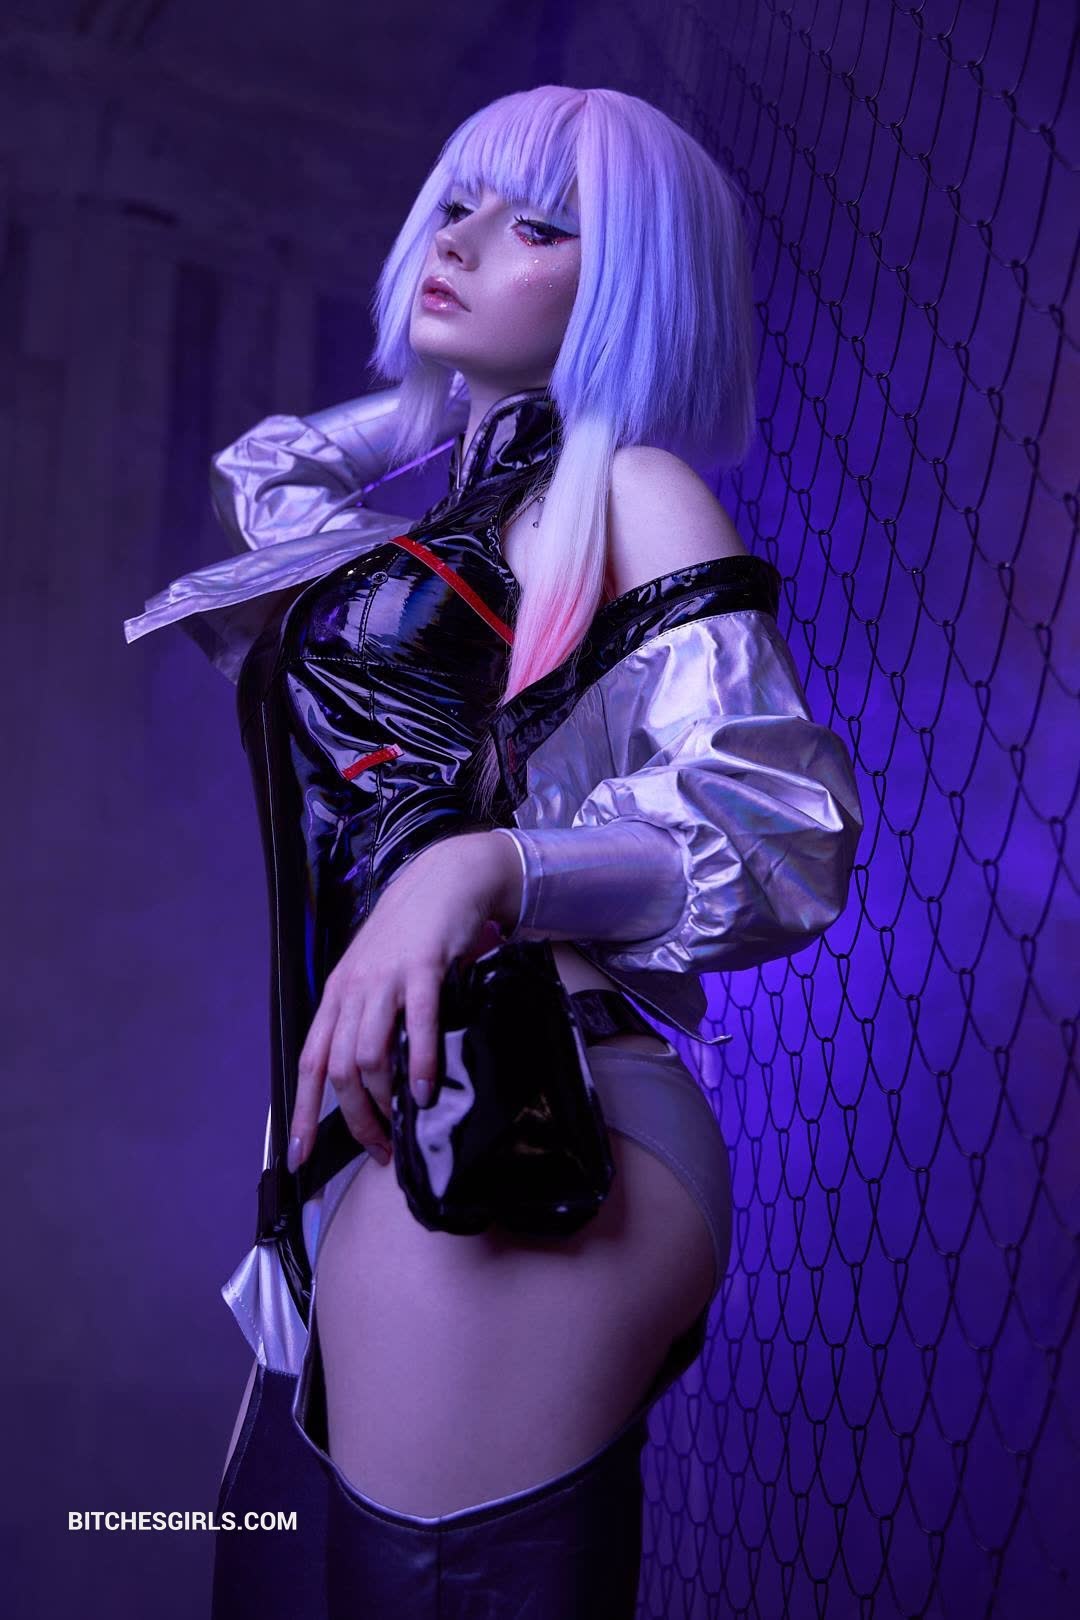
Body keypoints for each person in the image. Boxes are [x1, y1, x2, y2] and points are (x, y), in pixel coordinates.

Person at [124, 84, 863, 1619]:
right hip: (370, 1131)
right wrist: (435, 403)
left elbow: (778, 834)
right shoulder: (468, 513)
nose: (460, 242)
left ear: (632, 283)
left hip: (517, 1107)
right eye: (456, 203)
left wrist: (486, 870)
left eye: (539, 224)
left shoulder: (632, 488)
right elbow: (272, 482)